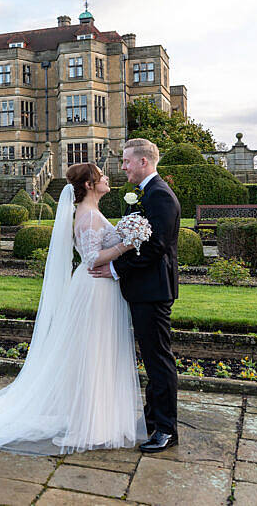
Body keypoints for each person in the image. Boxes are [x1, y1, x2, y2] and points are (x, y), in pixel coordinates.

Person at [0, 162, 147, 455]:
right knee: (93, 353)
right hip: (94, 289)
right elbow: (91, 258)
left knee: (99, 351)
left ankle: (99, 420)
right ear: (89, 184)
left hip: (100, 289)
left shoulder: (91, 212)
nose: (106, 179)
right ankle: (89, 423)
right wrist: (128, 244)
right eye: (101, 176)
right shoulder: (88, 216)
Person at [91, 138, 181, 453]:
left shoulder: (160, 197)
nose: (123, 166)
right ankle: (154, 420)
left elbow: (155, 248)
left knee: (158, 359)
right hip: (141, 289)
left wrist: (115, 269)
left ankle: (166, 429)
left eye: (127, 161)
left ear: (143, 161)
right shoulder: (142, 195)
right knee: (151, 357)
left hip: (153, 290)